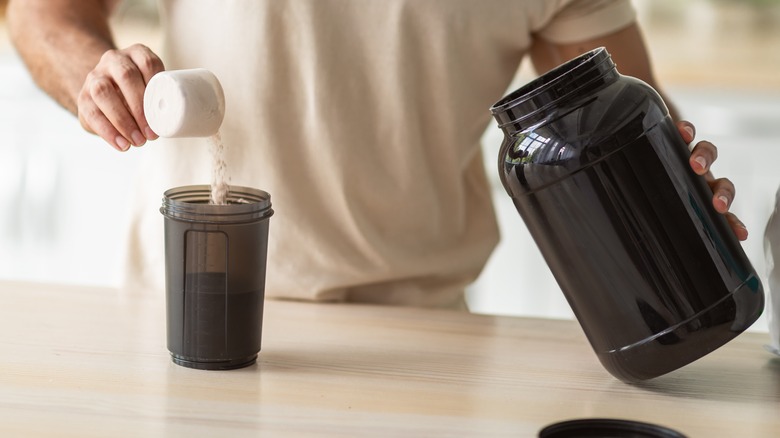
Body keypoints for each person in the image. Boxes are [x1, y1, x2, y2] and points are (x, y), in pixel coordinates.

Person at [7, 0, 747, 309]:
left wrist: (676, 191)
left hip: (423, 333)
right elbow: (44, 12)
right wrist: (94, 75)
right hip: (191, 309)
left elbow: (622, 113)